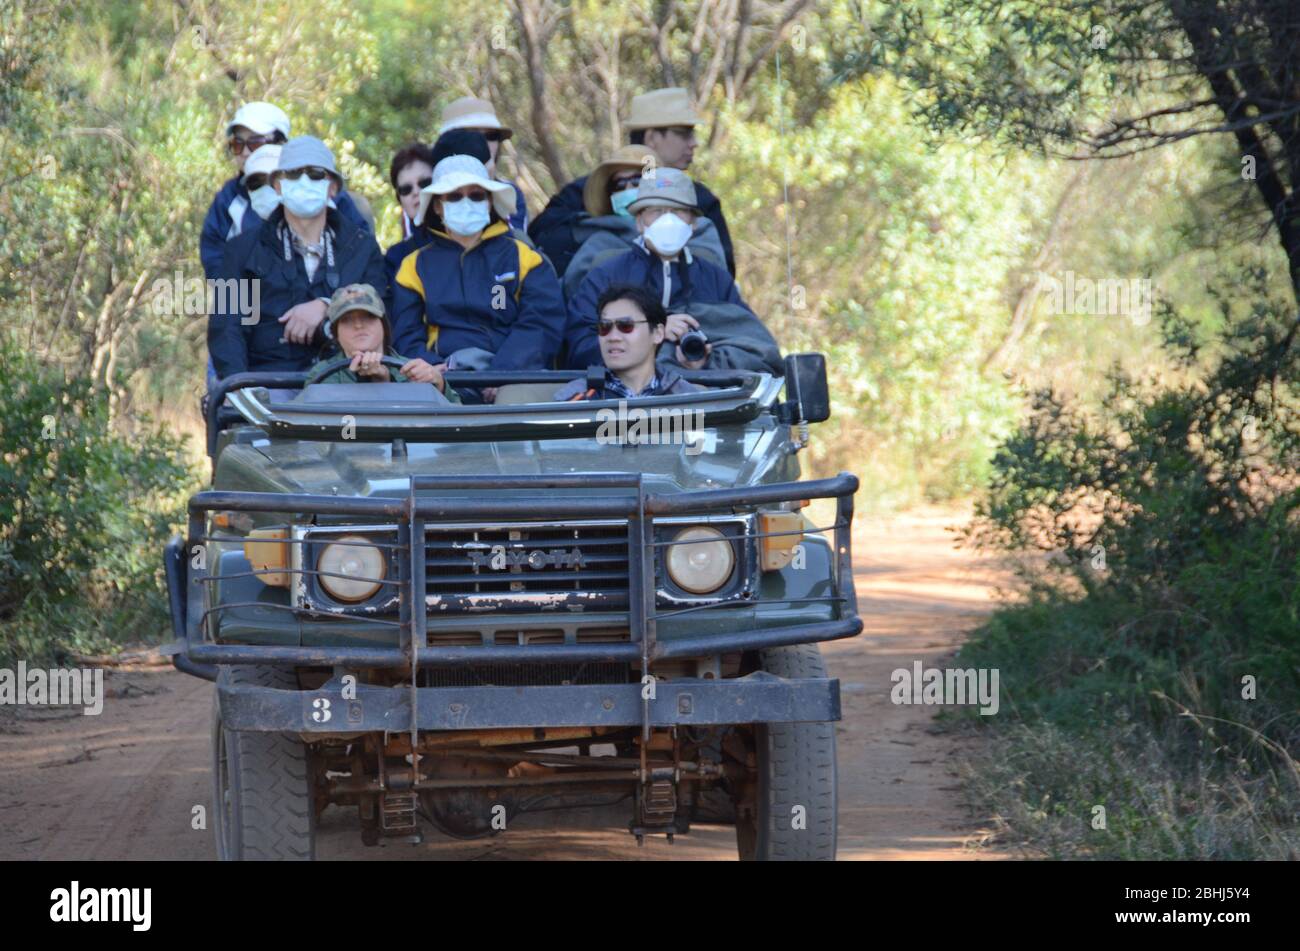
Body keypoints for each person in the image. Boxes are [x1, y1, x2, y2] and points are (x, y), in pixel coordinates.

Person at [563, 169, 781, 375]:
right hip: (625, 407)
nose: (667, 221)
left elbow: (756, 349)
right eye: (656, 211)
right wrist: (652, 335)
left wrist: (705, 363)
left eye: (678, 212)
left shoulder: (716, 279)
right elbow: (579, 348)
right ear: (639, 221)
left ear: (693, 223)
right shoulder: (605, 277)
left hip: (704, 406)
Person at [208, 136, 387, 379]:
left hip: (347, 382)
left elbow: (381, 310)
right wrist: (241, 388)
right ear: (278, 186)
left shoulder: (362, 246)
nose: (303, 181)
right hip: (268, 384)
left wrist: (327, 305)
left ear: (332, 187)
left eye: (315, 174)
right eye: (292, 174)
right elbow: (226, 328)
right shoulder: (240, 250)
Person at [390, 154, 566, 388]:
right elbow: (406, 336)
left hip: (514, 381)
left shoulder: (527, 260)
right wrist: (432, 370)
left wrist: (503, 374)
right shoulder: (412, 267)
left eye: (476, 195)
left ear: (490, 202)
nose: (466, 202)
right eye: (454, 196)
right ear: (437, 206)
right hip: (439, 380)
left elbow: (541, 325)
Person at [529, 87, 736, 278]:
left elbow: (723, 271)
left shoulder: (700, 199)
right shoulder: (582, 194)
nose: (694, 143)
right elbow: (543, 239)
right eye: (683, 134)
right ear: (652, 137)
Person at [201, 102, 371, 281]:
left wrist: (327, 300)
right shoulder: (228, 199)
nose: (244, 152)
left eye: (255, 142)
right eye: (237, 143)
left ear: (281, 143)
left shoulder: (319, 187)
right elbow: (215, 258)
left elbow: (361, 249)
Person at [561, 144, 726, 299]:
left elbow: (716, 281)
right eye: (619, 184)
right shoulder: (598, 241)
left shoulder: (697, 228)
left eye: (638, 180)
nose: (628, 189)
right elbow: (575, 292)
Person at [307, 284, 459, 401]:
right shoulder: (322, 373)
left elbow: (455, 425)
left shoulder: (415, 369)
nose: (359, 325)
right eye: (346, 320)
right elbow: (335, 430)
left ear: (384, 324)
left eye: (368, 316)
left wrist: (439, 384)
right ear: (335, 332)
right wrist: (373, 383)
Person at [553, 284, 701, 401]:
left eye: (625, 326)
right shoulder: (574, 399)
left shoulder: (687, 397)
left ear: (658, 333)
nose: (613, 337)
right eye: (605, 327)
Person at [438, 96, 528, 231]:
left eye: (491, 136)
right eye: (472, 136)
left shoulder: (511, 192)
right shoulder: (422, 191)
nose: (483, 143)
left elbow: (513, 244)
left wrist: (490, 187)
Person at [390, 143, 435, 241]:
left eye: (424, 183)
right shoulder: (396, 255)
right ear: (399, 199)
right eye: (406, 189)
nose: (416, 191)